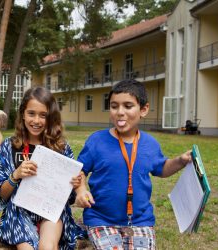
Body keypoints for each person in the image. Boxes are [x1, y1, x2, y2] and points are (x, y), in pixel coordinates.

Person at [74, 79, 192, 250]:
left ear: (143, 110)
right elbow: (79, 170)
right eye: (114, 106)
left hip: (140, 221)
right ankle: (87, 228)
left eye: (128, 106)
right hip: (100, 218)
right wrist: (81, 190)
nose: (120, 112)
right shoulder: (97, 141)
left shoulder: (150, 144)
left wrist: (180, 161)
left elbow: (162, 169)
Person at [0, 87, 85, 250]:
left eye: (43, 115)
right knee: (27, 248)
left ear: (51, 118)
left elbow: (69, 197)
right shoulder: (9, 146)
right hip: (18, 213)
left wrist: (73, 183)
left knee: (48, 246)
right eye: (31, 113)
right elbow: (1, 197)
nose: (36, 120)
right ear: (22, 114)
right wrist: (16, 175)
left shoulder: (61, 148)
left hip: (51, 211)